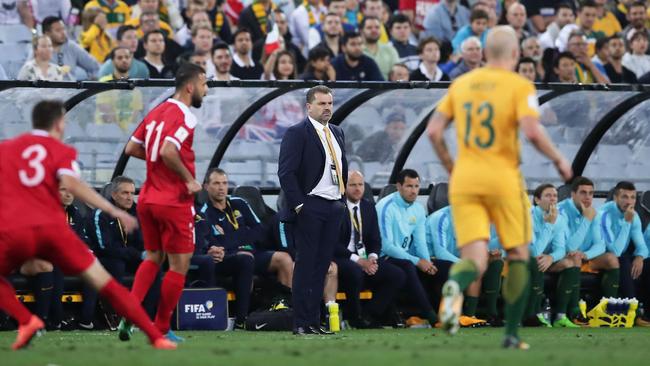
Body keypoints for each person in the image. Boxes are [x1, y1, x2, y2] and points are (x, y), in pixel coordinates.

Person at [427, 26, 572, 349]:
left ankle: (454, 286)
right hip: (503, 177)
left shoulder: (461, 84)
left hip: (465, 179)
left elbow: (434, 131)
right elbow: (533, 132)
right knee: (519, 254)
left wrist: (452, 167)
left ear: (485, 52)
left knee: (475, 260)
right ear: (515, 53)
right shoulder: (519, 85)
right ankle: (510, 333)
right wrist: (560, 159)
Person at [0, 100, 175, 350]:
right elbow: (74, 185)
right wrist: (112, 209)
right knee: (105, 282)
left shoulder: (8, 149)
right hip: (52, 230)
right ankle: (155, 336)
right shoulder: (61, 152)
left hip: (16, 230)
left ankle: (26, 320)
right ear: (60, 122)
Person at [121, 63, 208, 342]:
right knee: (178, 265)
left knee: (154, 256)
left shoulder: (156, 111)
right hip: (173, 200)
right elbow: (169, 150)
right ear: (190, 86)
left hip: (147, 198)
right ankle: (160, 328)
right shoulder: (186, 116)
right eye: (204, 84)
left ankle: (129, 312)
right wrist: (188, 180)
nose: (206, 91)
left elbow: (131, 148)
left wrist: (155, 162)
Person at [278, 85, 347, 335]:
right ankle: (300, 322)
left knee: (322, 266)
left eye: (330, 103)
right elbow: (286, 172)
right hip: (310, 205)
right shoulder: (297, 133)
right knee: (306, 265)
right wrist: (300, 205)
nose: (327, 108)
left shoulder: (337, 132)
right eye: (322, 103)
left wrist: (341, 199)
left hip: (333, 205)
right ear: (309, 107)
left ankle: (314, 320)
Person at [334, 171, 405, 328]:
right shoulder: (336, 208)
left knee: (397, 275)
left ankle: (369, 315)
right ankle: (354, 317)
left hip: (365, 257)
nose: (358, 189)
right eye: (352, 185)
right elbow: (332, 244)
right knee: (355, 271)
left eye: (360, 184)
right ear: (344, 187)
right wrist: (359, 261)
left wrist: (372, 258)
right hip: (342, 257)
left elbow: (375, 239)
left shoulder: (368, 207)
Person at [376, 169, 439, 327]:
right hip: (382, 257)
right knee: (408, 265)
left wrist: (426, 262)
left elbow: (420, 242)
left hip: (403, 257)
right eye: (409, 186)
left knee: (440, 268)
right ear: (399, 186)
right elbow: (387, 246)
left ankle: (456, 312)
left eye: (416, 186)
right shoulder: (386, 207)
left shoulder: (418, 209)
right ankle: (431, 316)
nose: (414, 191)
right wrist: (418, 261)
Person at [557, 177, 619, 325]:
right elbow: (568, 247)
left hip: (583, 257)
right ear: (573, 194)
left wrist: (586, 254)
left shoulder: (594, 213)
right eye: (583, 193)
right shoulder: (561, 211)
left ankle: (608, 311)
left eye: (591, 193)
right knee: (574, 257)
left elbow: (600, 245)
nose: (588, 197)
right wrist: (586, 220)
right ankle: (575, 311)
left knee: (612, 259)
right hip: (561, 257)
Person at [426, 205, 502, 327]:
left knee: (496, 262)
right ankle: (466, 315)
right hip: (432, 261)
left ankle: (490, 315)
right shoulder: (441, 217)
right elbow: (440, 252)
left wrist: (488, 254)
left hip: (457, 260)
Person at [523, 184, 579, 328]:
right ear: (536, 200)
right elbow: (534, 252)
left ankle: (561, 316)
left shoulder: (559, 219)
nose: (553, 199)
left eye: (555, 196)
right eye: (548, 195)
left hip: (545, 260)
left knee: (570, 262)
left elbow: (560, 249)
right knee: (536, 261)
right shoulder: (527, 217)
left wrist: (551, 258)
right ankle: (533, 315)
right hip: (522, 260)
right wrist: (549, 225)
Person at [598, 181, 649, 326]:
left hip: (621, 255)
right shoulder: (604, 214)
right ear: (615, 198)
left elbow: (642, 246)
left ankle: (646, 314)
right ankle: (632, 312)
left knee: (647, 262)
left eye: (633, 197)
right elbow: (615, 251)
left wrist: (640, 257)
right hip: (602, 257)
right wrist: (627, 222)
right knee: (624, 261)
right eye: (624, 197)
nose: (629, 201)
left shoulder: (634, 215)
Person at [42, 16, 99, 80]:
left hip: (71, 88)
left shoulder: (72, 46)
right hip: (47, 89)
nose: (63, 33)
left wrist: (90, 83)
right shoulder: (38, 49)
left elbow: (95, 66)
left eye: (63, 29)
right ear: (47, 34)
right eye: (58, 30)